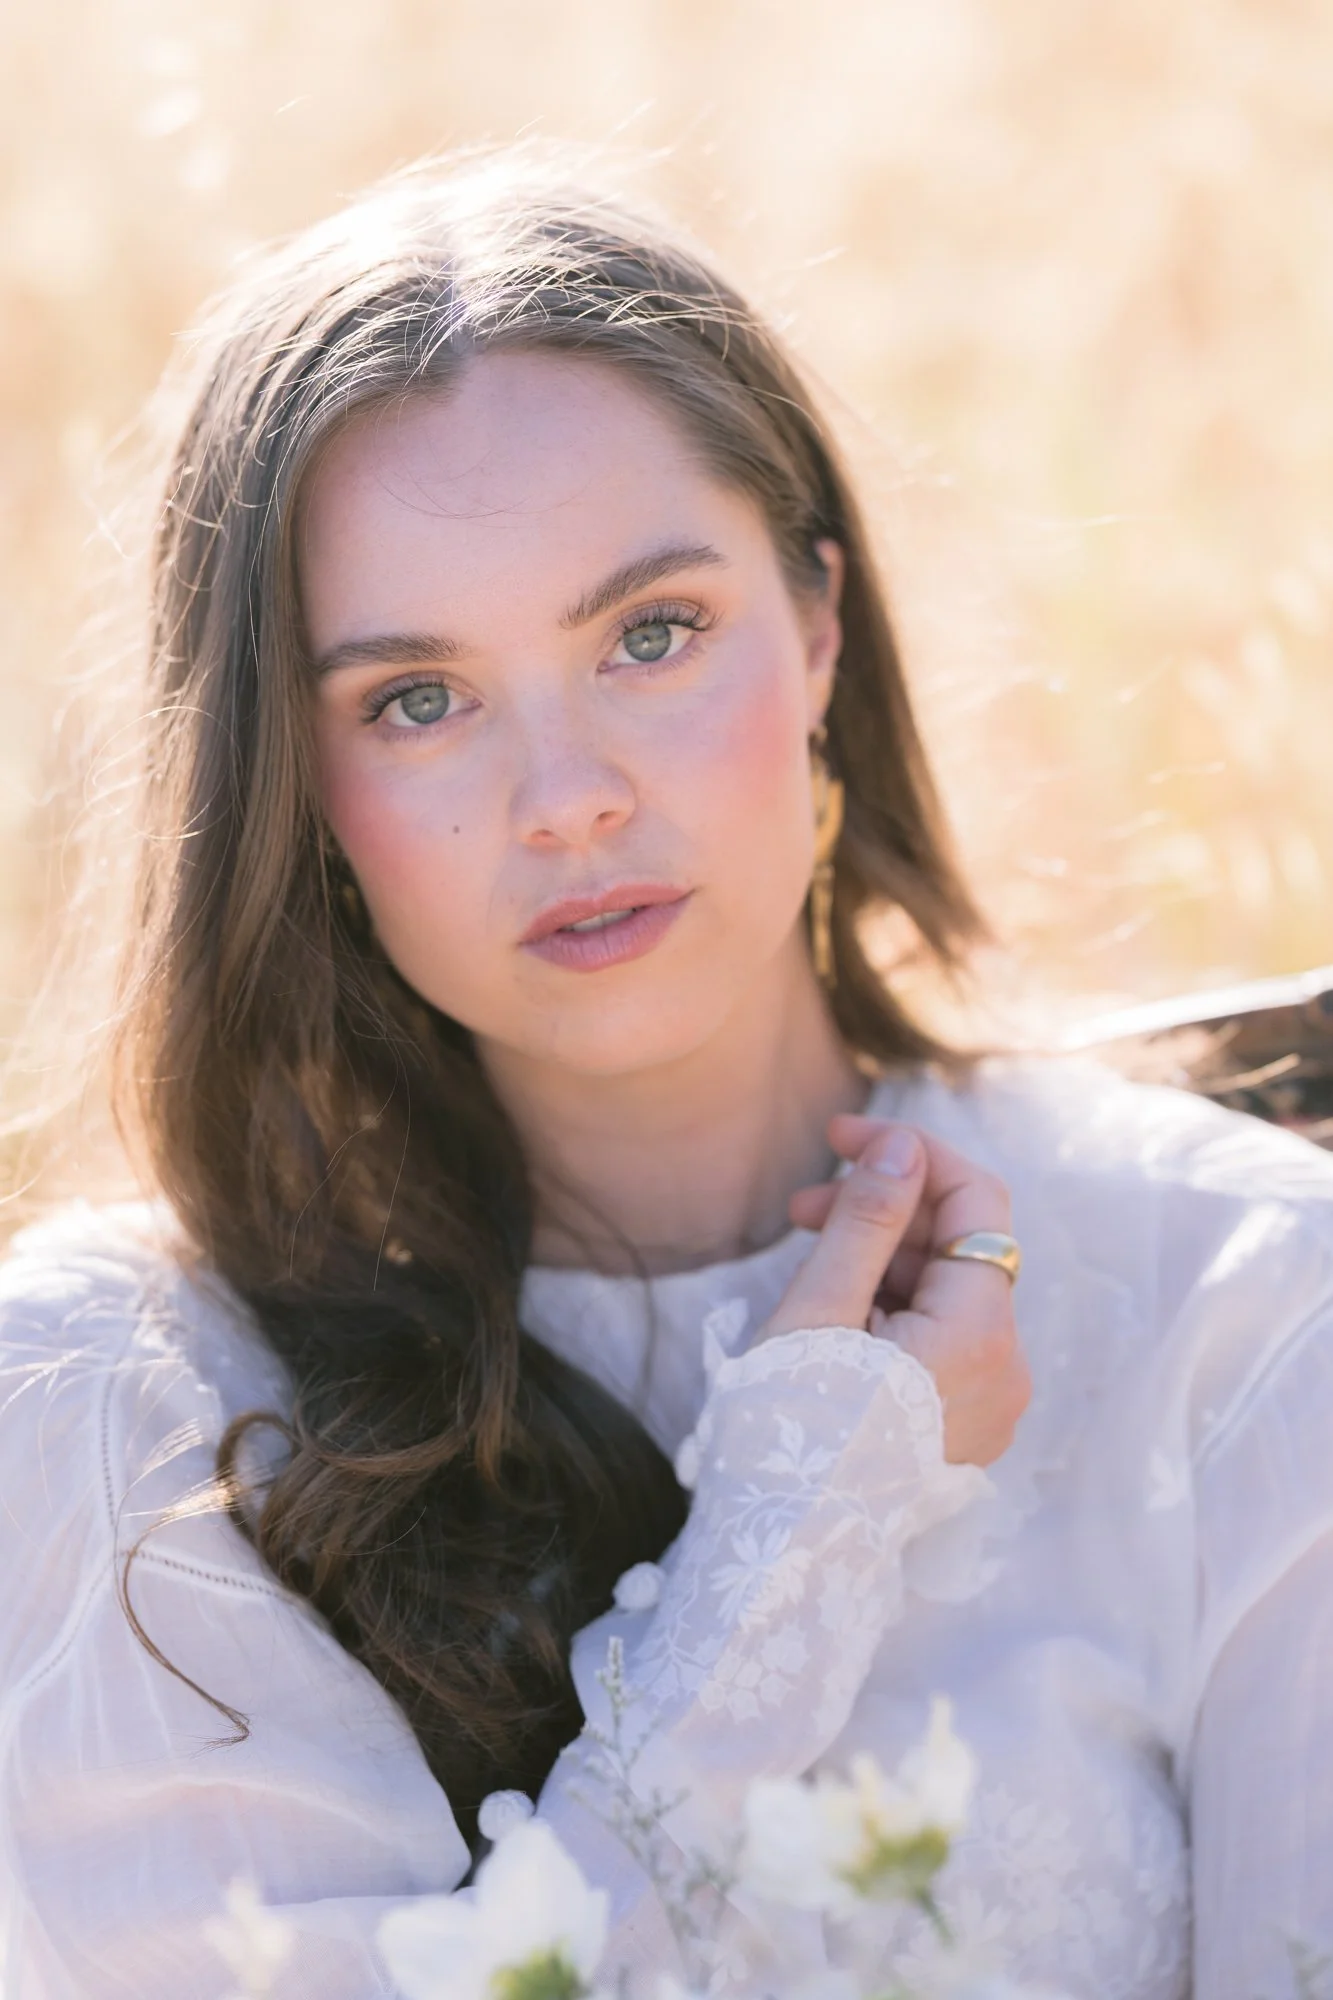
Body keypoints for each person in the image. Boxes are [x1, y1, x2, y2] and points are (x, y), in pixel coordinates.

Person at [1, 149, 1330, 2000]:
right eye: (417, 698)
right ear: (295, 794)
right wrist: (807, 1526)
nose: (569, 800)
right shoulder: (108, 1425)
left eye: (653, 632)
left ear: (819, 633)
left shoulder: (1249, 1298)